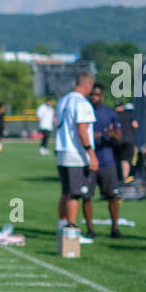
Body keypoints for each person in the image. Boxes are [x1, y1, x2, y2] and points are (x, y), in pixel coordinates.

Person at [54, 71, 97, 241]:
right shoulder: (82, 103)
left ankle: (62, 225)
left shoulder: (63, 100)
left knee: (66, 192)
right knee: (75, 193)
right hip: (75, 153)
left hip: (62, 149)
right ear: (87, 85)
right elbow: (82, 130)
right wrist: (91, 154)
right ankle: (71, 232)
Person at [89, 83, 124, 238]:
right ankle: (90, 229)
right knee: (86, 196)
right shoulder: (84, 110)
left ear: (102, 96)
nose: (94, 97)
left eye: (97, 94)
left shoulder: (109, 112)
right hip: (88, 159)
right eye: (91, 94)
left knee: (113, 196)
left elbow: (118, 135)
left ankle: (115, 228)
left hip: (106, 159)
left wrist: (111, 134)